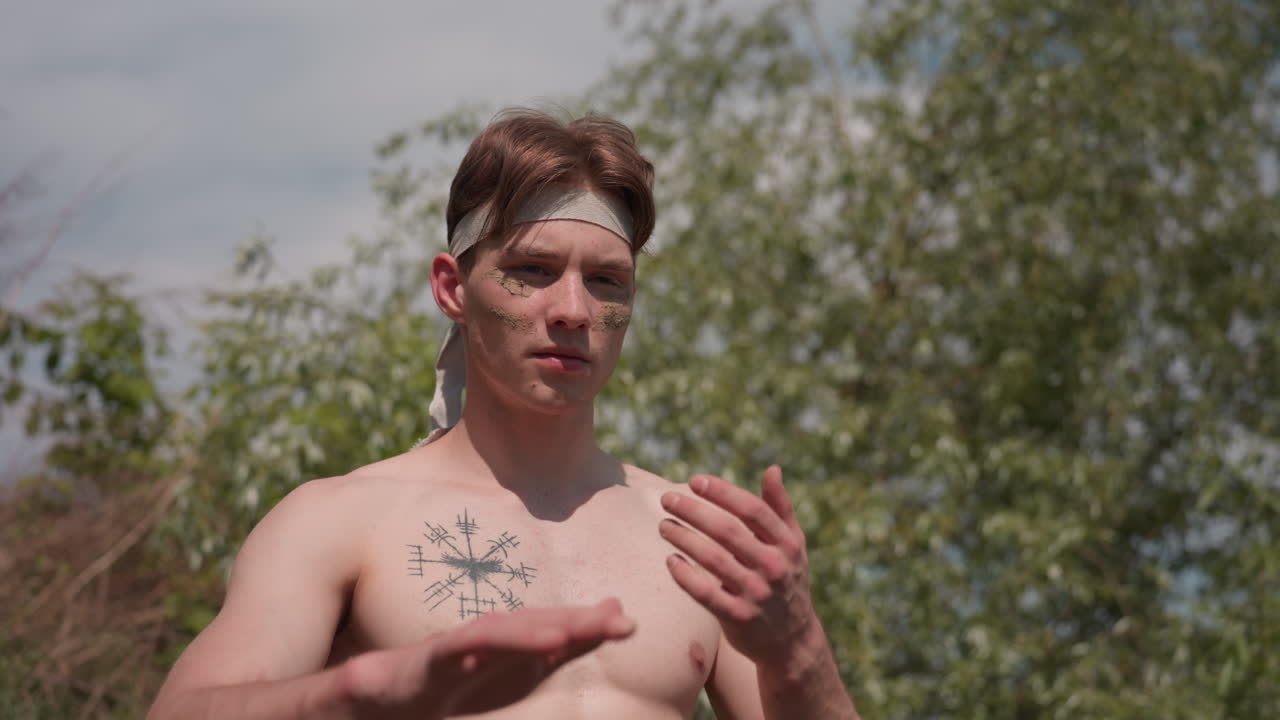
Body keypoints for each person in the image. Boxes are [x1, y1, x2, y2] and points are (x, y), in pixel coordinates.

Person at [148, 110, 859, 720]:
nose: (574, 311)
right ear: (452, 287)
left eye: (606, 279)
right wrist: (365, 693)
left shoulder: (694, 543)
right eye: (533, 270)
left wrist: (800, 648)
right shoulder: (341, 522)